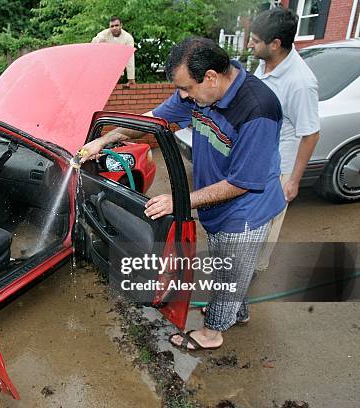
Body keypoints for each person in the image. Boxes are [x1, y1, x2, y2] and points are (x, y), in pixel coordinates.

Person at [80, 37, 285, 351]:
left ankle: (213, 332)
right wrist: (105, 140)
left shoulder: (258, 109)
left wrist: (179, 201)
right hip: (218, 204)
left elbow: (242, 183)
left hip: (246, 210)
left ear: (211, 77)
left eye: (186, 88)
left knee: (229, 271)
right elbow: (151, 121)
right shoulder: (198, 95)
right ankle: (235, 311)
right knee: (227, 266)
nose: (182, 96)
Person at [249, 8, 320, 272]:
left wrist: (293, 180)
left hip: (279, 168)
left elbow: (311, 133)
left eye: (255, 40)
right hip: (257, 157)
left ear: (275, 44)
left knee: (267, 226)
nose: (250, 44)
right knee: (248, 221)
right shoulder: (265, 63)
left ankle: (254, 272)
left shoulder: (300, 83)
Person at [92, 16, 136, 86]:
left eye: (116, 25)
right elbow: (93, 45)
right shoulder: (104, 33)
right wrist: (100, 39)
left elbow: (130, 58)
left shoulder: (128, 38)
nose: (114, 28)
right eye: (112, 26)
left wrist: (131, 78)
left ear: (121, 25)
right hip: (103, 68)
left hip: (118, 70)